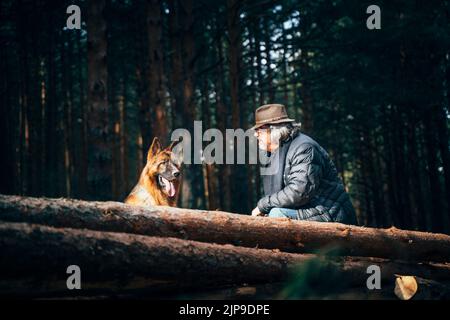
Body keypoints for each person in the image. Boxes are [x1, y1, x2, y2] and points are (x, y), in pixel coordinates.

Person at [251, 104, 357, 224]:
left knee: (276, 214)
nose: (256, 134)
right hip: (310, 211)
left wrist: (263, 205)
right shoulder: (276, 153)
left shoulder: (304, 148)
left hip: (331, 214)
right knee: (270, 214)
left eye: (259, 130)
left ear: (275, 130)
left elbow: (300, 191)